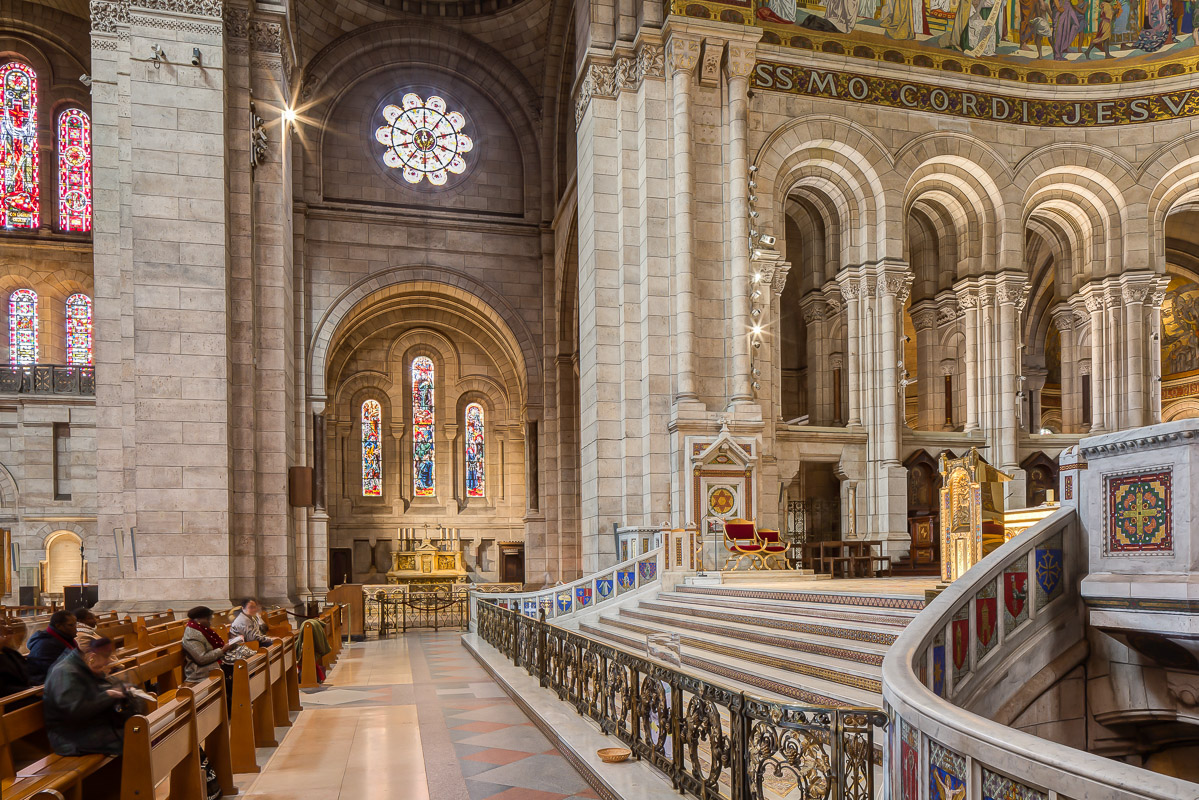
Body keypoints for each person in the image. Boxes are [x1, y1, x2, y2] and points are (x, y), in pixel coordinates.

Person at [42, 637, 148, 756]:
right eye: (106, 657)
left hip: (92, 728)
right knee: (135, 737)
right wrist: (108, 695)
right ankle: (131, 773)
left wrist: (123, 689)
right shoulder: (65, 672)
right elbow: (74, 712)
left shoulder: (85, 666)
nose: (108, 662)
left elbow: (101, 688)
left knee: (138, 731)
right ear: (92, 656)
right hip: (71, 738)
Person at [181, 606, 243, 684]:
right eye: (208, 619)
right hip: (201, 672)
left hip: (212, 664)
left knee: (243, 663)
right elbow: (202, 659)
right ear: (198, 620)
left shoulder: (202, 630)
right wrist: (223, 650)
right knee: (239, 669)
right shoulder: (192, 635)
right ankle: (234, 694)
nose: (210, 622)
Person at [26, 610, 78, 684]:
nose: (75, 628)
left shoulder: (65, 638)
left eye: (75, 624)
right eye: (71, 625)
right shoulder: (45, 644)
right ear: (58, 626)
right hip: (44, 684)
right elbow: (54, 671)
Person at [0, 621, 30, 698]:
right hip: (9, 702)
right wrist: (29, 690)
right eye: (3, 635)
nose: (8, 637)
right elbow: (3, 689)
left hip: (23, 694)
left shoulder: (11, 653)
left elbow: (26, 675)